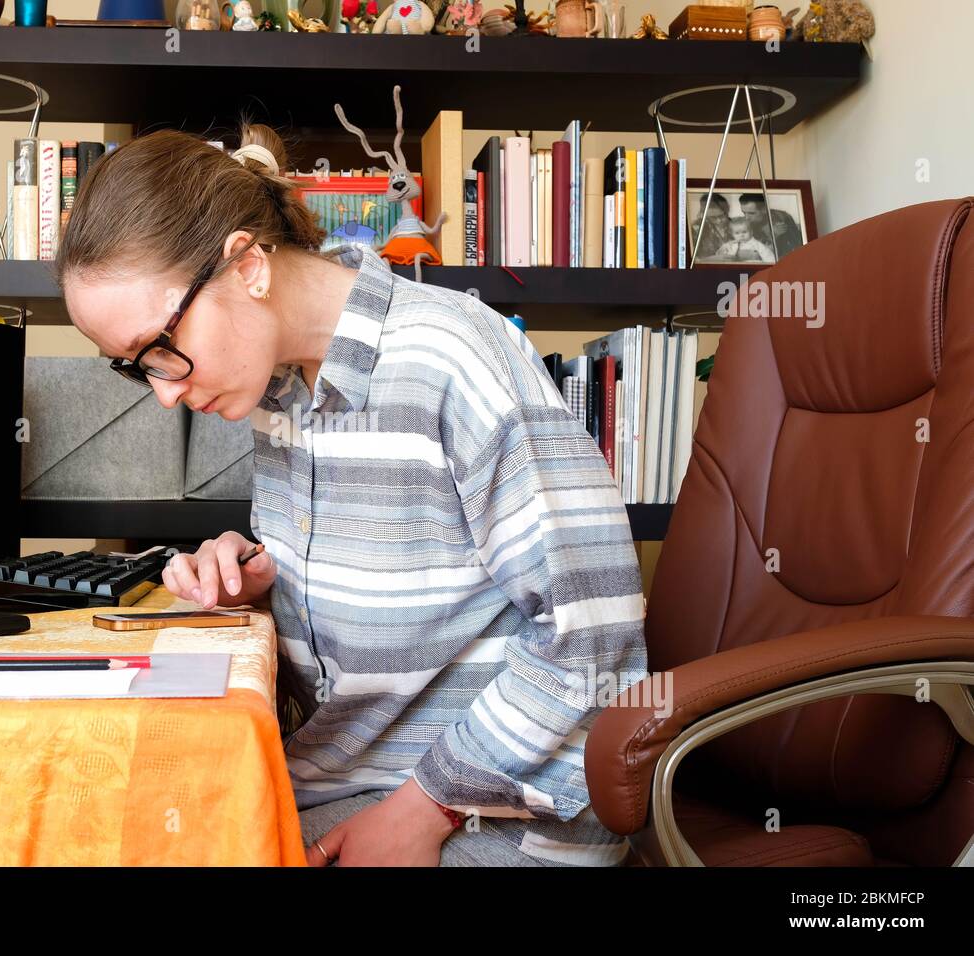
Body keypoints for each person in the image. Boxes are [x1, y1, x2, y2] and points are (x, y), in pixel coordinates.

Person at [55, 122, 648, 867]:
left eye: (160, 351)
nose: (164, 393)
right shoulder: (280, 391)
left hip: (496, 809)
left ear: (246, 266)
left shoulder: (452, 357)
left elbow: (593, 630)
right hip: (349, 781)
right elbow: (403, 591)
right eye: (133, 367)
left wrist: (424, 808)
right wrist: (263, 583)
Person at [738, 193, 803, 259]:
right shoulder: (743, 224)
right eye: (744, 213)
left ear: (764, 210)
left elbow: (797, 242)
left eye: (751, 213)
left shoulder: (782, 217)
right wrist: (773, 235)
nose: (746, 217)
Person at [710, 217, 776, 263]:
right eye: (737, 233)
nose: (741, 235)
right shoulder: (731, 244)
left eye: (744, 232)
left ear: (751, 232)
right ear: (732, 234)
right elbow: (720, 255)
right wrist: (724, 249)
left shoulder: (757, 244)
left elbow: (768, 256)